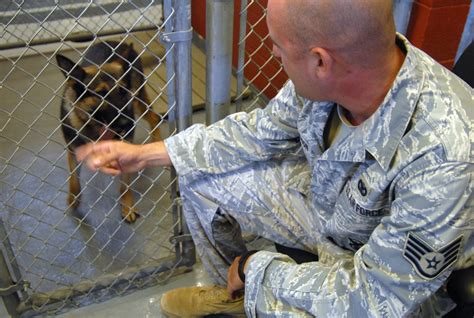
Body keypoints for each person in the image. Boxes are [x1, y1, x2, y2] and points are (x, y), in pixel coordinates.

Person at [77, 0, 473, 316]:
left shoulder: (444, 153)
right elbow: (260, 133)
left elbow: (374, 300)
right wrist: (146, 154)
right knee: (201, 177)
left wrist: (258, 269)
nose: (272, 53)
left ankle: (252, 292)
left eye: (278, 48)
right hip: (331, 209)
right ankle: (236, 299)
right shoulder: (353, 61)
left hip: (393, 278)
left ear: (320, 61)